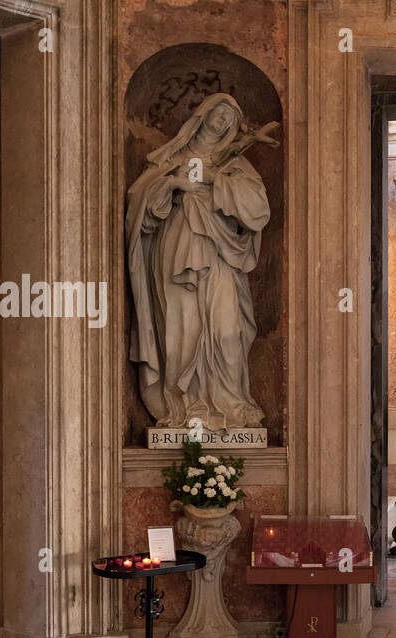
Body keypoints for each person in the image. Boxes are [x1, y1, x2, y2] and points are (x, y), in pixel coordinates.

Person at [126, 93, 270, 431]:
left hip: (220, 256)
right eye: (217, 113)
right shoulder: (171, 158)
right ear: (202, 115)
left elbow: (257, 210)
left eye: (229, 118)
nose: (221, 122)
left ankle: (231, 405)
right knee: (181, 329)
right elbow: (140, 211)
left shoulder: (234, 164)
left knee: (227, 331)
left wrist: (212, 179)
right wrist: (172, 184)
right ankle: (187, 407)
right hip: (176, 251)